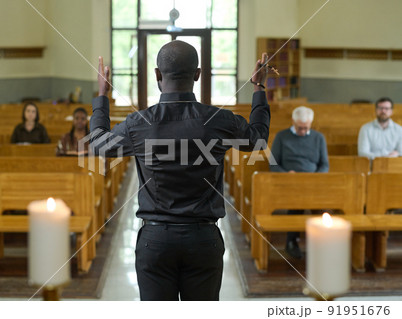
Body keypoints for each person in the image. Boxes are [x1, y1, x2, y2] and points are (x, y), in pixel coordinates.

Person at [90, 40, 271, 300]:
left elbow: (98, 145)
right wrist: (259, 88)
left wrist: (102, 97)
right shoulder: (218, 120)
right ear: (197, 75)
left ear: (157, 75)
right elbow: (258, 138)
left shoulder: (138, 123)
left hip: (155, 240)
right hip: (203, 239)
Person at [270, 106, 329, 259]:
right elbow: (273, 164)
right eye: (299, 128)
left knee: (321, 205)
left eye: (306, 128)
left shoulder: (318, 137)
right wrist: (286, 175)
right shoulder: (282, 136)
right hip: (289, 181)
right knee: (297, 201)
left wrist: (316, 177)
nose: (302, 131)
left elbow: (324, 165)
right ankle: (292, 241)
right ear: (293, 122)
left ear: (311, 123)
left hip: (313, 181)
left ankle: (321, 243)